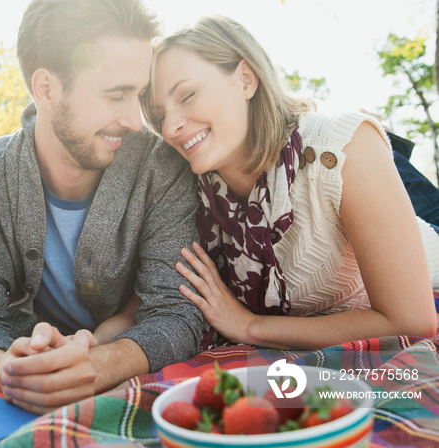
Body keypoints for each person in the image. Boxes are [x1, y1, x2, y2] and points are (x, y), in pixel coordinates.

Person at [0, 0, 203, 415]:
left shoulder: (162, 168)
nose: (136, 120)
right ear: (46, 88)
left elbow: (175, 313)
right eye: (116, 94)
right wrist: (8, 371)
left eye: (138, 93)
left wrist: (99, 365)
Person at [140, 15, 439, 350]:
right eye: (159, 115)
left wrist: (251, 326)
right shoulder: (188, 191)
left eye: (188, 94)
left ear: (246, 79)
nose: (169, 129)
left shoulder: (345, 145)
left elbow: (412, 321)